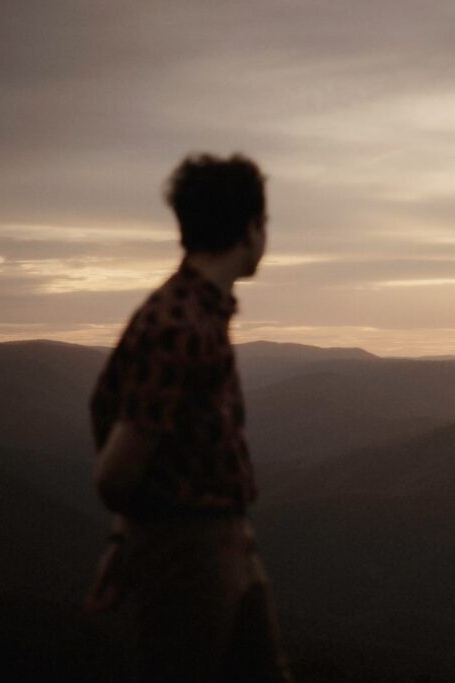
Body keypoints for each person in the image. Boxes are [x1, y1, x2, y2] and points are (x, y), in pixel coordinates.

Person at [84, 153, 291, 682]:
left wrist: (123, 535)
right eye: (264, 222)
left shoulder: (193, 313)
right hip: (190, 555)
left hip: (224, 541)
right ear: (250, 230)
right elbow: (117, 470)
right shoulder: (179, 324)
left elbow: (143, 434)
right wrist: (144, 538)